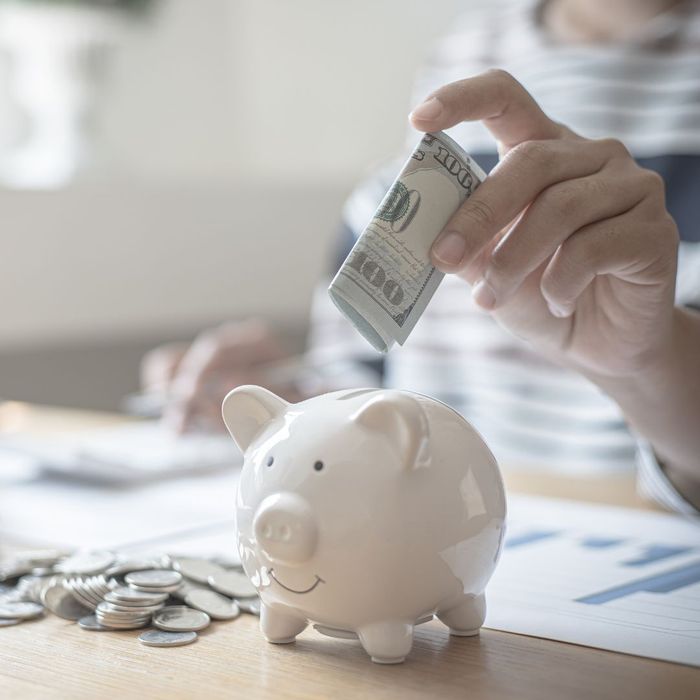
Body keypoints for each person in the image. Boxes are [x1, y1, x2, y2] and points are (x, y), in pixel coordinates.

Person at [142, 0, 700, 512]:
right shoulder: (461, 52)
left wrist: (646, 364)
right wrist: (293, 403)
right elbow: (370, 375)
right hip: (419, 538)